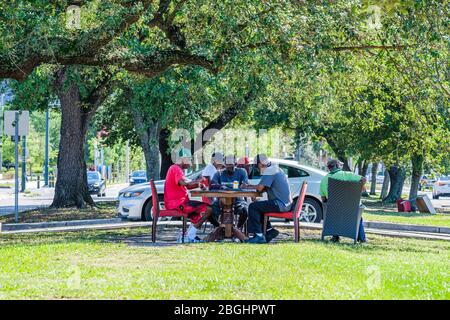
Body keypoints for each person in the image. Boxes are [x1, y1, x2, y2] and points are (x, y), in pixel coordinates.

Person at [164, 151, 218, 242]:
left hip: (178, 202)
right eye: (189, 159)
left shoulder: (177, 169)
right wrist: (198, 180)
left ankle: (187, 236)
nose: (191, 162)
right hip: (177, 203)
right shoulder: (175, 168)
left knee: (198, 213)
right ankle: (189, 235)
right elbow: (184, 183)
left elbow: (187, 186)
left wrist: (198, 184)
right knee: (208, 209)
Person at [244, 154, 293, 244]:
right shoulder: (275, 168)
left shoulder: (270, 171)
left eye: (256, 166)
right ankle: (269, 230)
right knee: (259, 206)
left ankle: (258, 236)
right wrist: (249, 186)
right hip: (285, 203)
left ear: (260, 164)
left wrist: (248, 187)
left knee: (253, 207)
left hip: (280, 204)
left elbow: (259, 188)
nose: (257, 169)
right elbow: (263, 188)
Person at [319, 159, 367, 243]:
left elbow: (323, 199)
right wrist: (361, 188)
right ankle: (362, 239)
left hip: (334, 210)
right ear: (337, 166)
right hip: (352, 208)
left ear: (329, 168)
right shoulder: (347, 174)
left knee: (334, 213)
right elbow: (364, 179)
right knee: (359, 217)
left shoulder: (324, 179)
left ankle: (335, 237)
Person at [210, 155, 249, 229]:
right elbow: (212, 185)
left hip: (238, 200)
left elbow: (245, 184)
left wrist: (244, 185)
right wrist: (219, 186)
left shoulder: (242, 172)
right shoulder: (219, 173)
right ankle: (219, 228)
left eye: (231, 165)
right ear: (224, 164)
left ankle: (236, 229)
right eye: (227, 165)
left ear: (235, 163)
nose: (229, 167)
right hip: (221, 200)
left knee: (244, 211)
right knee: (209, 211)